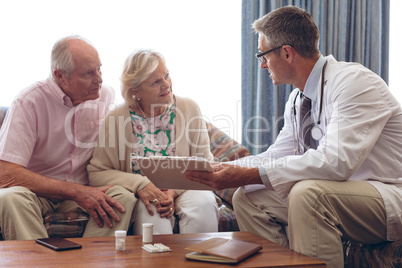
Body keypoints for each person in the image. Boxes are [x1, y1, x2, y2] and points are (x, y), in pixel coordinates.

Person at [185, 6, 402, 268]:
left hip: (386, 195)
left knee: (307, 193)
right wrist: (225, 169)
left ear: (286, 53)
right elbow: (276, 155)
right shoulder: (298, 98)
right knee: (247, 197)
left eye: (262, 55)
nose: (262, 64)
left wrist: (250, 174)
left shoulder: (353, 82)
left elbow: (336, 162)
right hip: (340, 196)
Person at [0, 35, 128, 240]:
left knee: (123, 197)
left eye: (99, 69)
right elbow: (5, 172)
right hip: (36, 194)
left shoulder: (106, 97)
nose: (99, 79)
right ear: (60, 76)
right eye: (88, 73)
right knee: (9, 198)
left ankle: (88, 261)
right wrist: (74, 191)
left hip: (85, 192)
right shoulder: (29, 101)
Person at [85, 49, 219, 235]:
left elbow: (205, 163)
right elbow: (98, 172)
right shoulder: (117, 118)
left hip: (186, 189)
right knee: (154, 220)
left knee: (202, 205)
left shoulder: (189, 108)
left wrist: (172, 192)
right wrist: (140, 184)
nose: (166, 85)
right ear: (135, 91)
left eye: (167, 75)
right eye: (156, 82)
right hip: (145, 195)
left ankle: (202, 263)